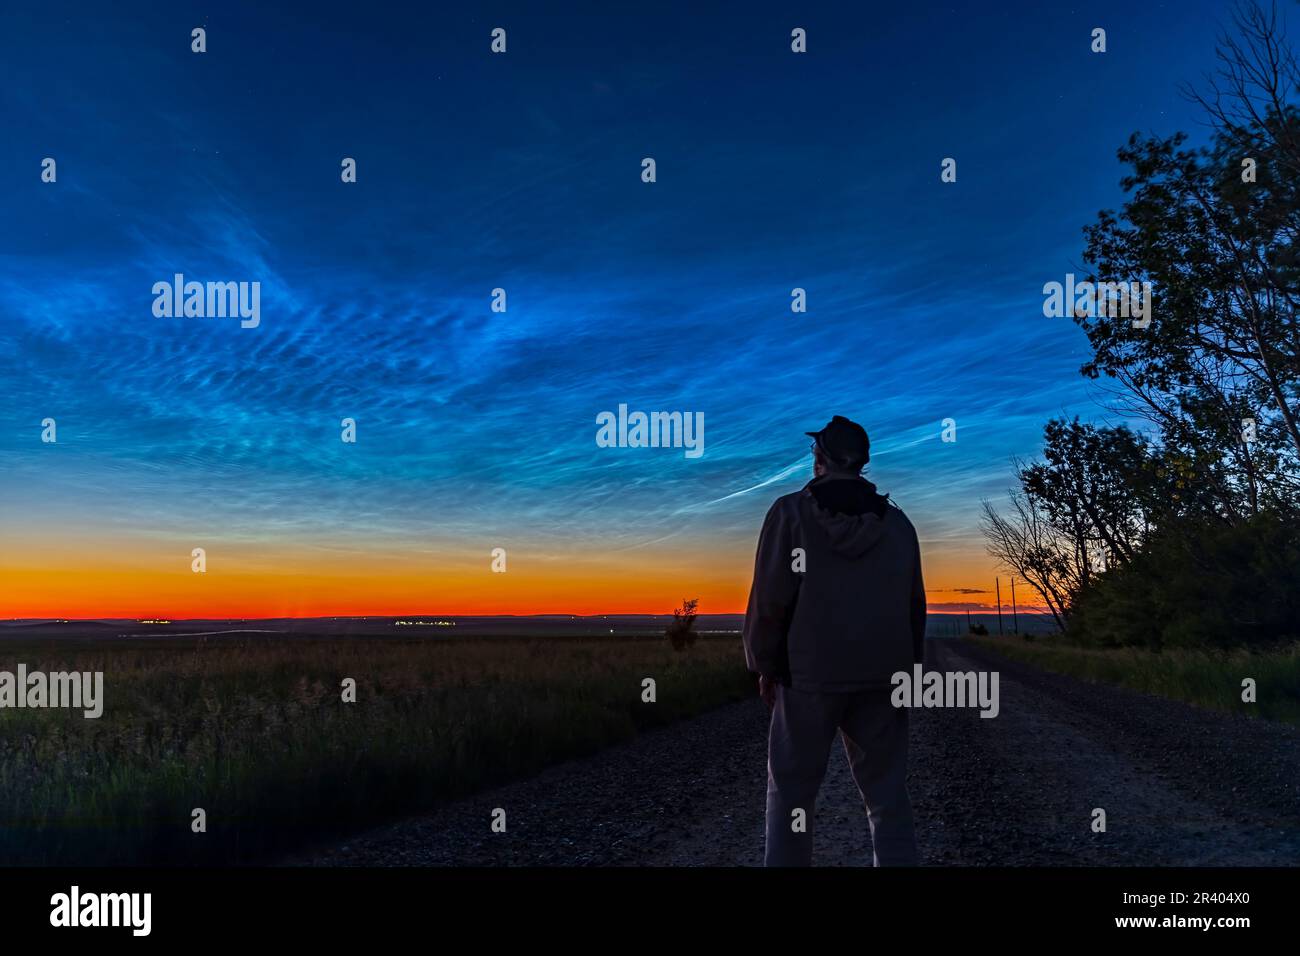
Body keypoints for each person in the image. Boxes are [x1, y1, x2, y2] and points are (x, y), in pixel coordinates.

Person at [742, 415, 926, 866]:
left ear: (819, 458)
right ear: (862, 463)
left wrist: (764, 665)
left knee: (791, 798)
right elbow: (913, 608)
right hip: (883, 677)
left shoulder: (789, 514)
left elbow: (769, 599)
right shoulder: (899, 525)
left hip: (808, 678)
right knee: (887, 798)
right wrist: (909, 672)